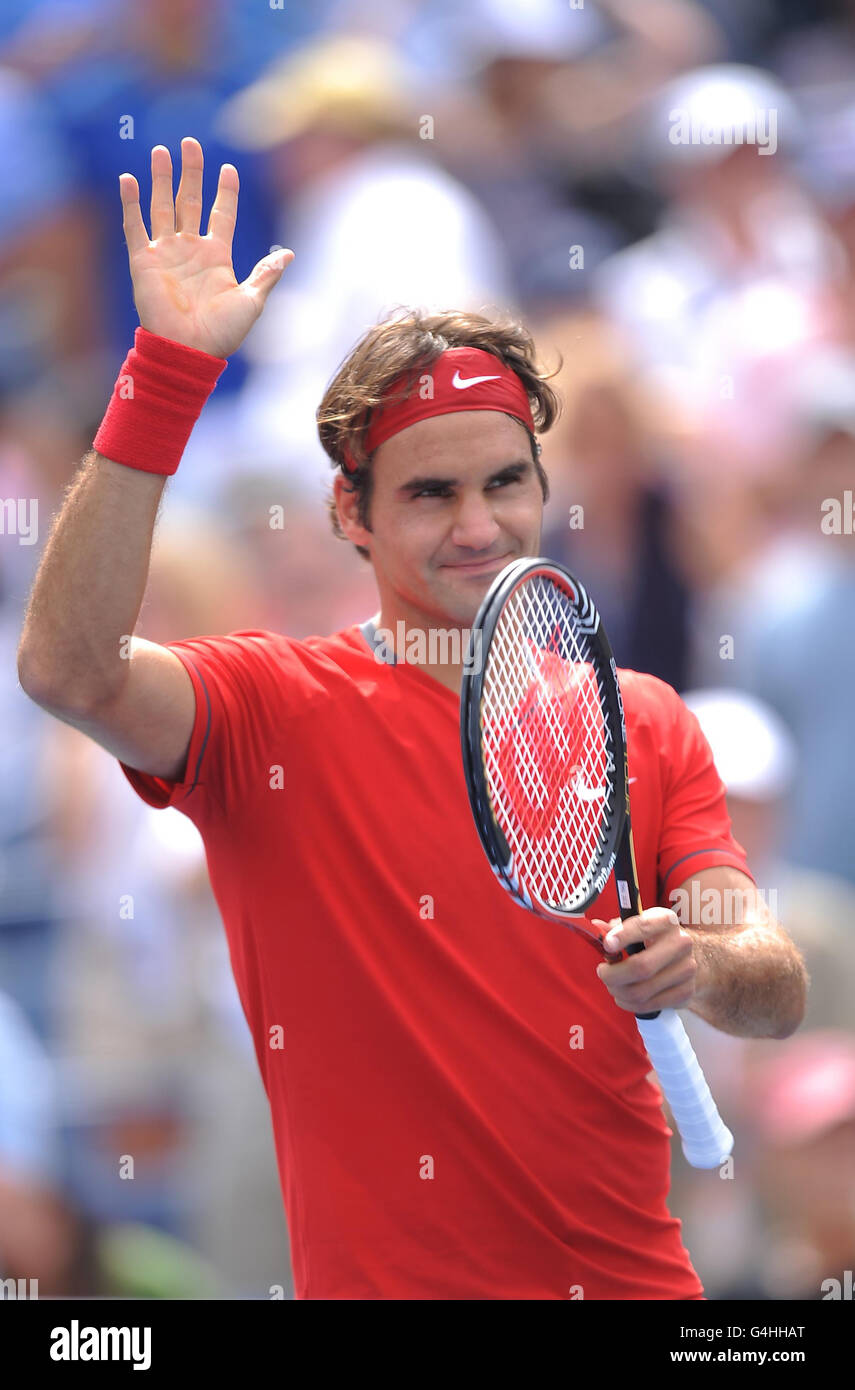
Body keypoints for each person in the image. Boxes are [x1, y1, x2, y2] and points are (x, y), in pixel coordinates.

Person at [17, 137, 807, 1301]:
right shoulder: (264, 706)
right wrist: (164, 377)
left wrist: (700, 965)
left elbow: (774, 978)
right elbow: (67, 669)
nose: (479, 525)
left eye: (505, 482)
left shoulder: (643, 719)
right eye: (431, 493)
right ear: (354, 513)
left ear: (543, 484)